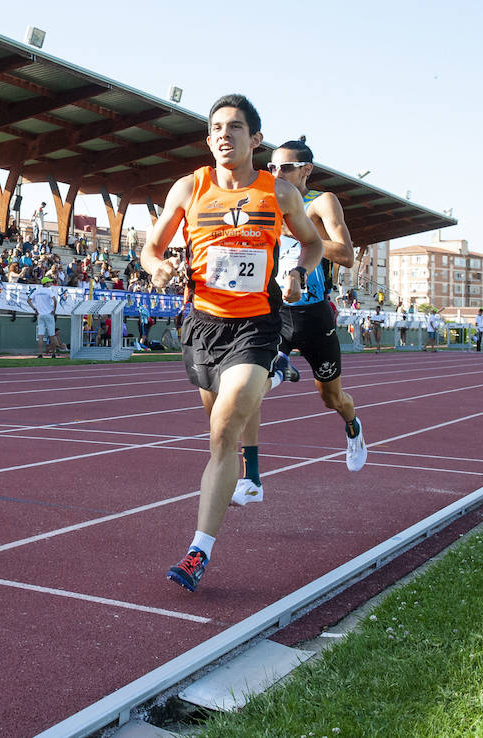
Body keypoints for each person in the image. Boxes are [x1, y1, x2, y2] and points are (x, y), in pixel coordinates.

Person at [140, 94, 321, 593]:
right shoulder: (190, 186)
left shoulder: (279, 193)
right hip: (202, 326)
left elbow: (312, 242)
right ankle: (274, 382)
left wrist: (298, 275)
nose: (224, 134)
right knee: (219, 426)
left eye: (235, 127)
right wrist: (159, 269)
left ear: (255, 139)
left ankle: (199, 551)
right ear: (208, 139)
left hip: (257, 322)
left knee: (223, 432)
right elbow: (150, 249)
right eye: (216, 127)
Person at [237, 138, 366, 486]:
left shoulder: (320, 202)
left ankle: (352, 426)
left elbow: (347, 255)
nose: (277, 173)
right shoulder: (263, 201)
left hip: (314, 315)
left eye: (286, 167)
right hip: (274, 311)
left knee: (331, 398)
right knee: (250, 390)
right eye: (272, 168)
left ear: (306, 169)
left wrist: (303, 237)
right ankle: (250, 477)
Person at [31, 274, 60, 358]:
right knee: (52, 335)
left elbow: (28, 300)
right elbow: (55, 300)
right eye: (48, 282)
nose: (50, 284)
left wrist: (34, 309)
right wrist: (54, 310)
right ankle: (53, 353)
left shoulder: (37, 291)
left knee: (40, 335)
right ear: (45, 283)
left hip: (40, 315)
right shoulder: (49, 291)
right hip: (49, 314)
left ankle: (40, 354)